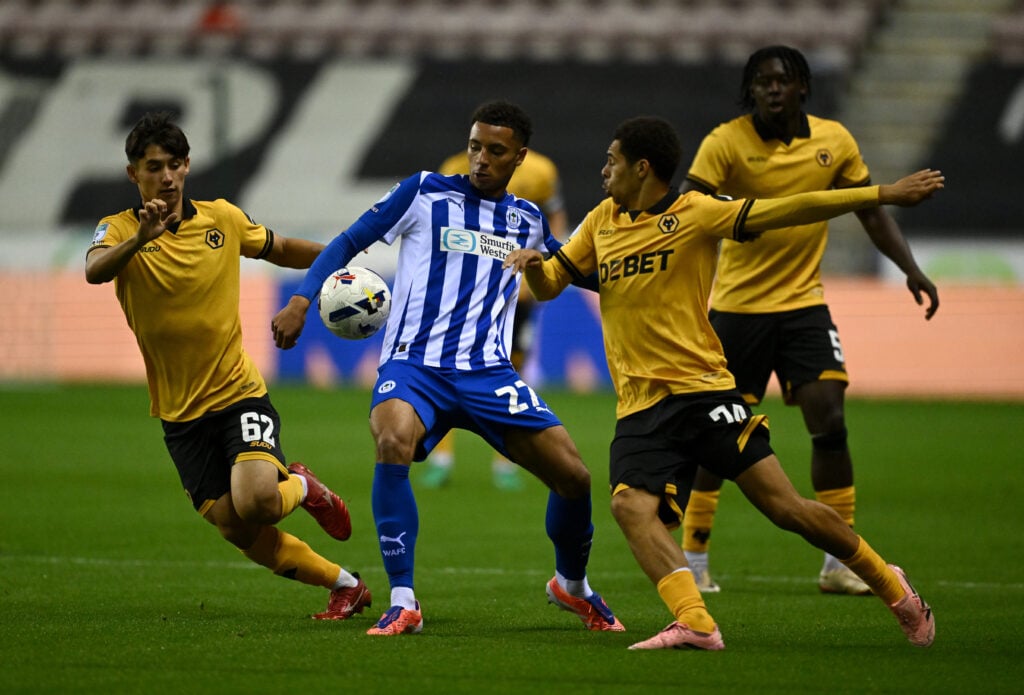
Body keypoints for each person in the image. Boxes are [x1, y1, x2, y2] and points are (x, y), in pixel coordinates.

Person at [503, 116, 939, 650]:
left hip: (704, 392)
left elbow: (790, 208)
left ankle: (892, 586)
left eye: (612, 160)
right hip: (640, 406)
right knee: (629, 507)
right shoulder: (601, 221)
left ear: (642, 168)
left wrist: (883, 193)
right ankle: (696, 621)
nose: (603, 170)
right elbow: (551, 286)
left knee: (786, 509)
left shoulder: (695, 214)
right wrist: (532, 266)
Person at [271, 100, 624, 637]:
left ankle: (571, 586)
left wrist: (640, 276)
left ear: (520, 157)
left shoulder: (527, 219)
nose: (481, 159)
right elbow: (347, 242)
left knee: (574, 477)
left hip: (489, 373)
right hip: (415, 365)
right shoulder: (423, 192)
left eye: (496, 151)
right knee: (393, 441)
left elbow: (574, 270)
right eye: (476, 146)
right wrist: (302, 300)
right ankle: (404, 599)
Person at [85, 112, 371, 622]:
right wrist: (141, 239)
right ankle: (345, 585)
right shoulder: (120, 229)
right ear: (134, 174)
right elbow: (93, 270)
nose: (167, 177)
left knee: (259, 502)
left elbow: (280, 248)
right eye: (154, 167)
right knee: (237, 528)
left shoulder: (222, 219)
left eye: (175, 165)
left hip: (238, 394)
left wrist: (341, 257)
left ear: (188, 166)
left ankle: (302, 485)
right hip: (179, 415)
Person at [677, 45, 941, 596]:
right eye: (763, 81)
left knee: (830, 417)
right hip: (737, 309)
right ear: (750, 90)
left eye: (785, 80)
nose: (773, 89)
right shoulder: (725, 142)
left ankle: (839, 559)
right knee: (722, 434)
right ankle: (694, 555)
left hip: (803, 305)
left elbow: (868, 208)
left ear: (803, 88)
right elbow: (689, 206)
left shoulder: (834, 140)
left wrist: (910, 269)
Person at [421, 147, 570, 491]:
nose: (483, 153)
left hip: (518, 293)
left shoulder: (541, 170)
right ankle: (442, 459)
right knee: (446, 366)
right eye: (477, 142)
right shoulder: (453, 166)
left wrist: (541, 268)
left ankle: (506, 463)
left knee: (514, 369)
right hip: (465, 292)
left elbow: (554, 217)